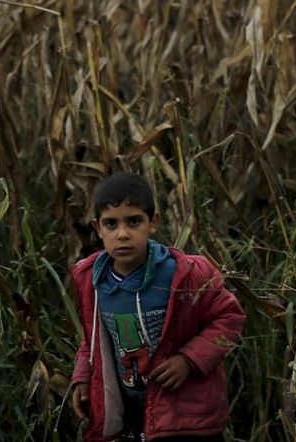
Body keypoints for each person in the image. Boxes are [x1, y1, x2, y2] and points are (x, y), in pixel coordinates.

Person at [69, 172, 246, 441]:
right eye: (111, 224)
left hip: (185, 418)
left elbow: (229, 318)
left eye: (134, 221)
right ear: (97, 228)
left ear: (153, 223)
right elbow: (92, 339)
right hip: (132, 417)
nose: (122, 234)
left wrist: (189, 360)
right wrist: (83, 377)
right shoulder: (93, 280)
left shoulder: (185, 274)